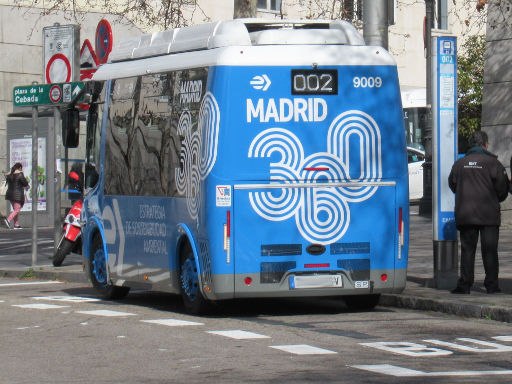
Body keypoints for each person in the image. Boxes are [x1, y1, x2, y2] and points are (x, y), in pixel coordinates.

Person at [448, 131, 509, 294]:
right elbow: (503, 188)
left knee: (467, 250)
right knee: (489, 250)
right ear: (485, 144)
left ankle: (465, 284)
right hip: (489, 215)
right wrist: (496, 198)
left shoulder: (459, 164)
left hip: (466, 214)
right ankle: (492, 285)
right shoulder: (493, 164)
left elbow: (452, 184)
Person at [4, 162, 29, 230]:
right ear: (20, 168)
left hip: (10, 195)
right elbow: (25, 183)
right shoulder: (20, 174)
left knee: (15, 209)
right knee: (17, 210)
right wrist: (27, 186)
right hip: (17, 195)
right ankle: (8, 220)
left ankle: (16, 224)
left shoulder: (10, 175)